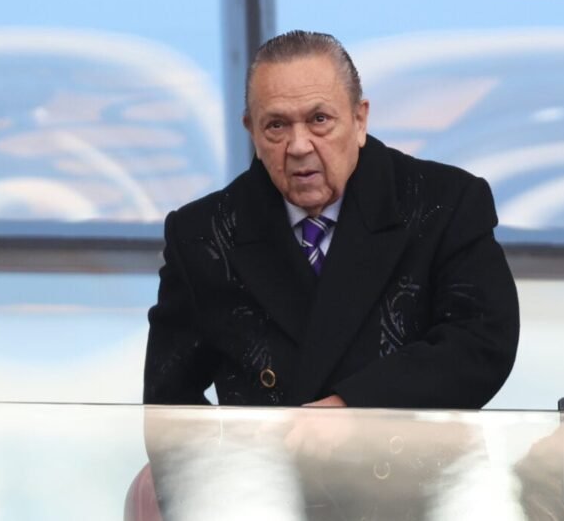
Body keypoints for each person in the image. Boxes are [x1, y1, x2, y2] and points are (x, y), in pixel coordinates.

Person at [144, 30, 519, 409]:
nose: (299, 146)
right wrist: (221, 447)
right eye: (276, 126)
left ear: (359, 119)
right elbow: (168, 398)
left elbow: (481, 344)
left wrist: (350, 409)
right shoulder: (201, 234)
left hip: (402, 445)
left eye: (319, 119)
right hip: (266, 449)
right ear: (252, 132)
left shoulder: (444, 203)